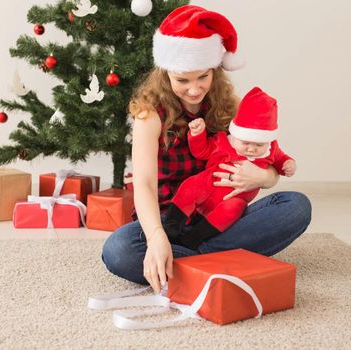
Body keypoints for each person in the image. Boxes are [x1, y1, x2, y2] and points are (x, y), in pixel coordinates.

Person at [101, 5, 311, 293]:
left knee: (296, 206)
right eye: (182, 80)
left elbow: (268, 165)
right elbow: (145, 185)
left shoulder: (229, 110)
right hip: (166, 219)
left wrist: (263, 178)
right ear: (166, 74)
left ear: (214, 71)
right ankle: (219, 260)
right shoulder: (149, 115)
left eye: (202, 77)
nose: (194, 88)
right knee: (118, 249)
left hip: (217, 217)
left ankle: (192, 263)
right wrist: (156, 237)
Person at [164, 86, 297, 250]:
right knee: (192, 186)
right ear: (236, 134)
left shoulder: (271, 150)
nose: (251, 149)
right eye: (246, 143)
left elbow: (281, 160)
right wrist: (198, 134)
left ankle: (196, 238)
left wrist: (288, 164)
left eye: (258, 144)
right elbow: (202, 151)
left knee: (233, 210)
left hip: (236, 198)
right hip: (209, 184)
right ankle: (172, 226)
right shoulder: (223, 142)